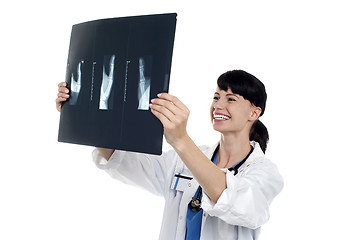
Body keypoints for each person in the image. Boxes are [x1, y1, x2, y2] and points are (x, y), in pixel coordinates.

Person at [56, 69, 284, 240]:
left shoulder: (264, 173)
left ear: (255, 112)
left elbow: (232, 200)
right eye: (216, 97)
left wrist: (180, 139)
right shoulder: (181, 160)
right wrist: (81, 112)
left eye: (231, 99)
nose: (218, 105)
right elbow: (122, 160)